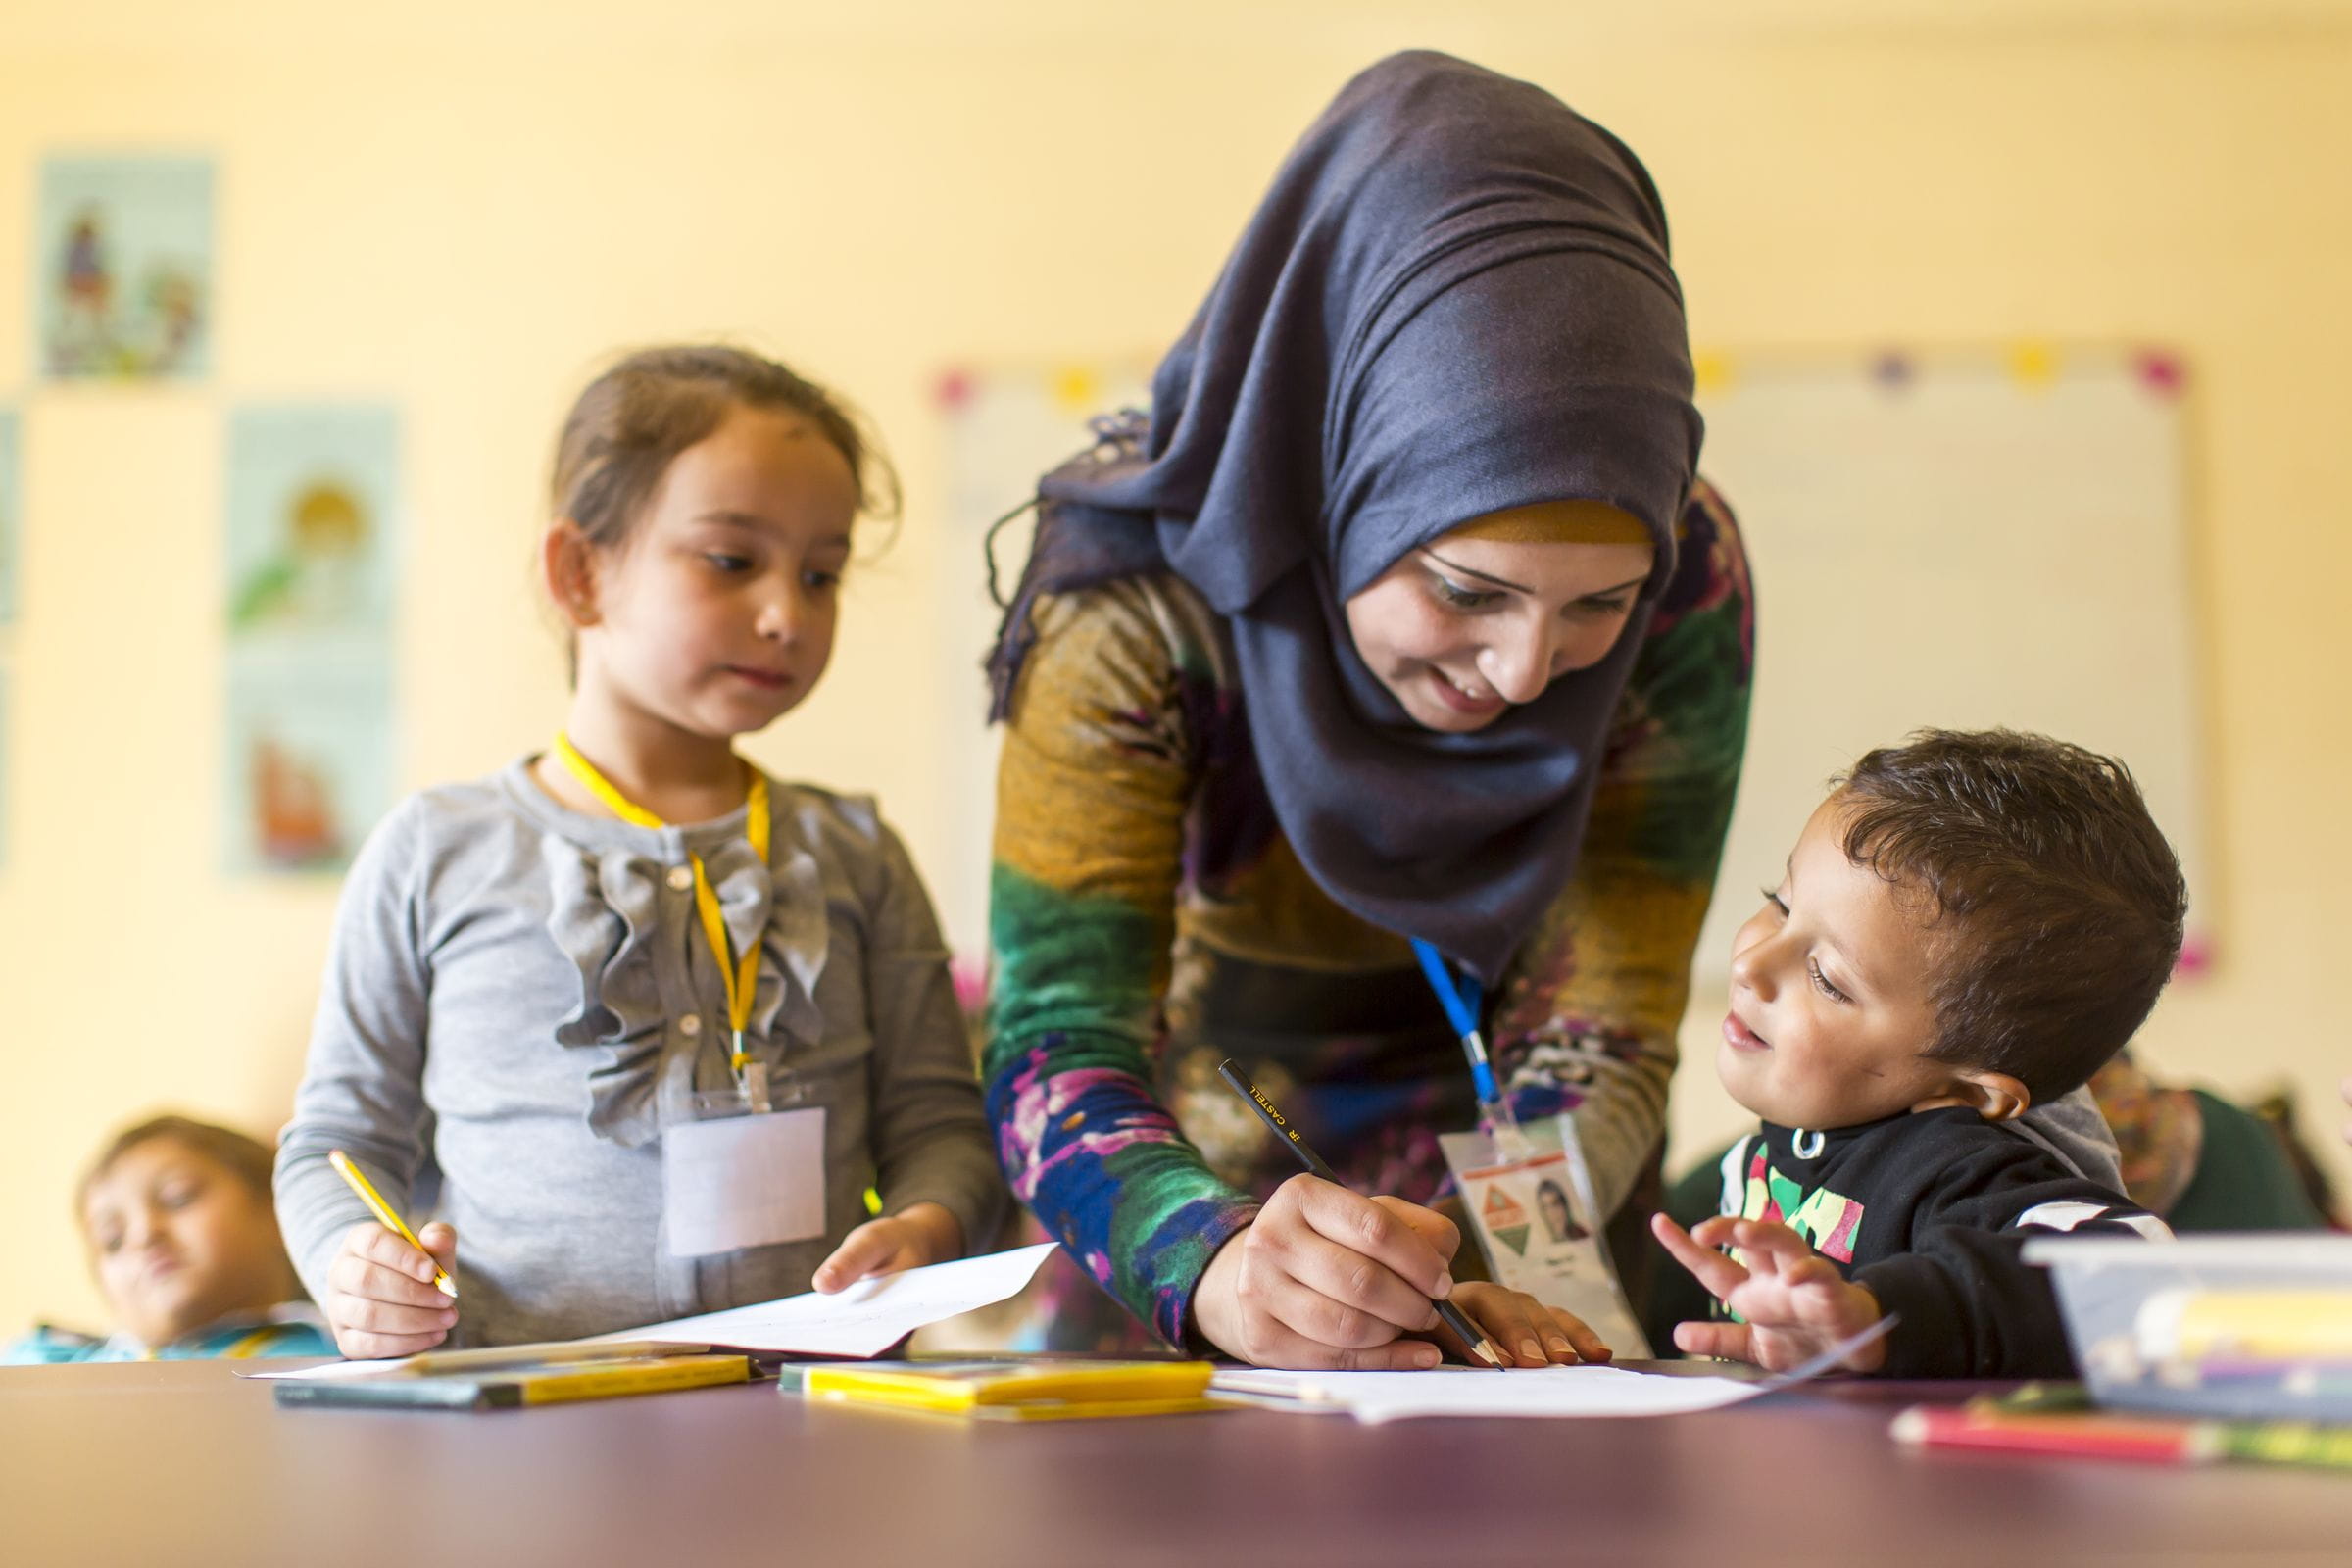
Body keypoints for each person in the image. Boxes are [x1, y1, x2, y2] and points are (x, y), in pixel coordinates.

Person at [983, 50, 1761, 1372]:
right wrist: (1214, 1263)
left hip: (1528, 1241)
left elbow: (1603, 1025)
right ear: (1339, 476)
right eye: (1466, 590)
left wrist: (1458, 1276)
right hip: (1184, 1220)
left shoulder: (1690, 581)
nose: (1523, 673)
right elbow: (1063, 1040)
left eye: (1593, 609)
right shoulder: (1133, 598)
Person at [276, 346, 1006, 1358]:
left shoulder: (858, 854)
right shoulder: (435, 851)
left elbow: (942, 1129)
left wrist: (930, 1226)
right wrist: (352, 1263)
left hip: (808, 1424)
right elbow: (332, 1145)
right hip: (519, 1436)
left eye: (822, 573)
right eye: (731, 559)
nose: (786, 614)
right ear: (581, 573)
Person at [1650, 730, 2182, 1379]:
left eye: (1827, 979)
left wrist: (1884, 1315)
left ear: (1965, 1092)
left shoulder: (1954, 1169)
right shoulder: (1778, 1149)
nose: (1751, 964)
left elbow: (2142, 1272)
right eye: (1779, 903)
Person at [6, 1115, 332, 1363]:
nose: (144, 1234)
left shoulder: (332, 1355)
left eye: (178, 1198)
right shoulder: (47, 1363)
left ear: (278, 1209)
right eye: (113, 1240)